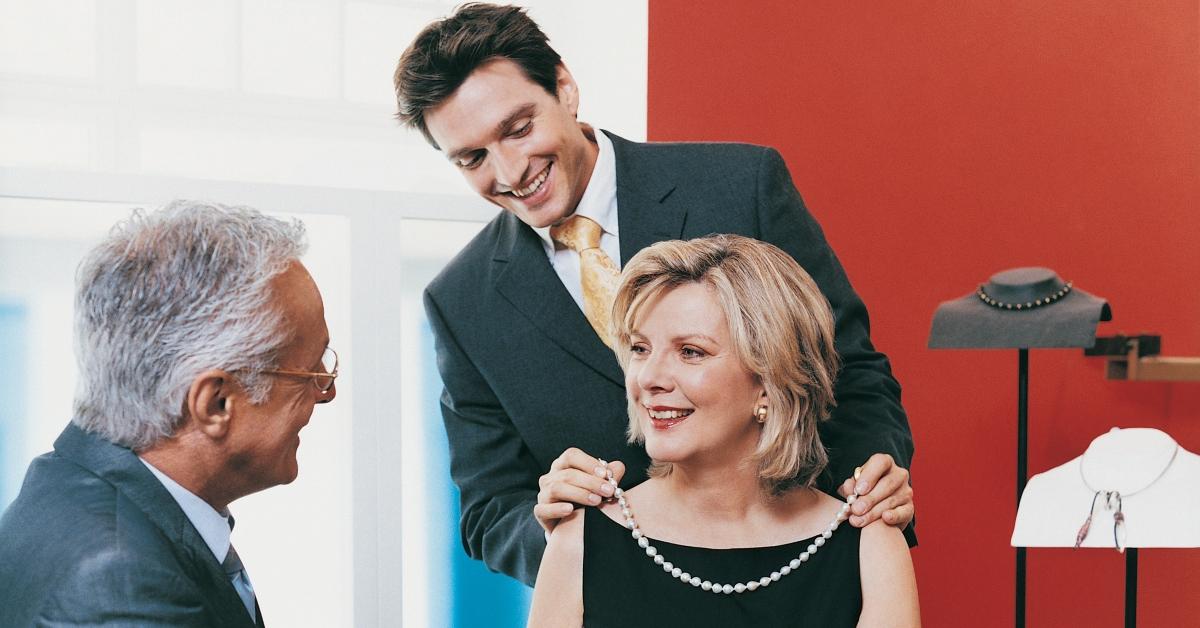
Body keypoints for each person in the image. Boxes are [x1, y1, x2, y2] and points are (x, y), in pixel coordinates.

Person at [394, 2, 914, 586]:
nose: (511, 171)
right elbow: (489, 510)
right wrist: (556, 528)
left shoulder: (744, 187)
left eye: (518, 129)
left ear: (564, 88)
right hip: (619, 601)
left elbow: (849, 368)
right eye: (473, 158)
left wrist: (869, 484)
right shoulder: (460, 302)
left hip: (801, 572)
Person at [528, 235, 919, 627]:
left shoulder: (870, 544)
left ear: (769, 380)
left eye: (690, 352)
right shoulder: (579, 538)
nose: (648, 377)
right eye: (640, 349)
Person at [0, 201, 338, 627]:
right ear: (215, 404)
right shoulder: (123, 589)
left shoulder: (65, 486)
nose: (327, 390)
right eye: (309, 370)